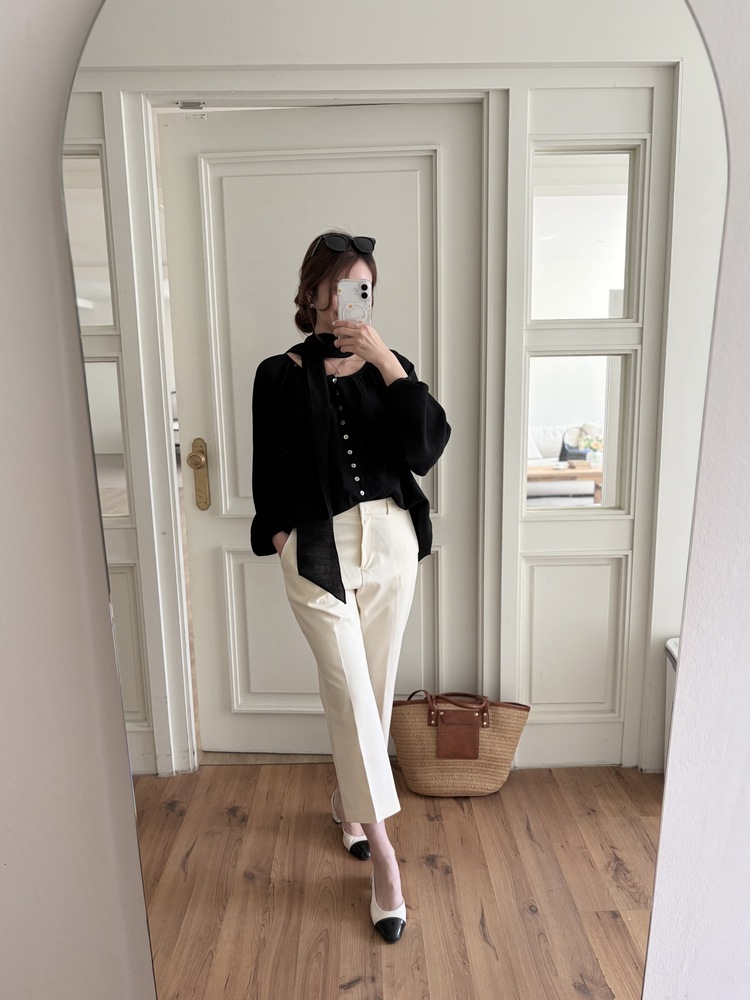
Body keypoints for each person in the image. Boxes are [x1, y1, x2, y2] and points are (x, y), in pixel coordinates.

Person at [250, 231, 450, 943]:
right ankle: (386, 858)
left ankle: (347, 803)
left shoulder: (392, 371)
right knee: (349, 691)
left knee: (373, 688)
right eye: (334, 288)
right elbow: (266, 476)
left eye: (359, 289)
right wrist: (283, 542)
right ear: (311, 294)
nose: (345, 302)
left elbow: (426, 450)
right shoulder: (276, 375)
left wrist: (387, 363)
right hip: (316, 549)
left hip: (391, 543)